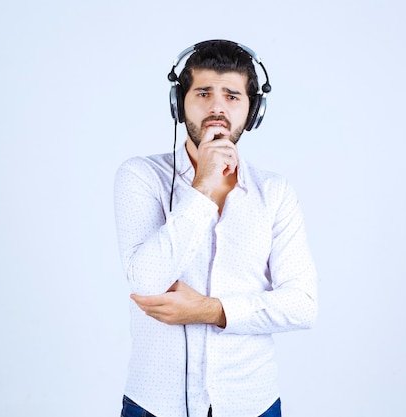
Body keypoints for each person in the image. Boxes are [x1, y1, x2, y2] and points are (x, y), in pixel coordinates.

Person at [114, 40, 318, 417]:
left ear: (253, 111)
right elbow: (145, 280)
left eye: (232, 95)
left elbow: (302, 305)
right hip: (154, 404)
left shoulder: (274, 192)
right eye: (204, 93)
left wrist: (211, 310)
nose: (217, 107)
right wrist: (203, 186)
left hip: (251, 402)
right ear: (179, 103)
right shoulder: (141, 177)